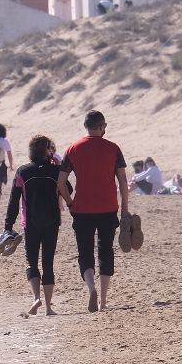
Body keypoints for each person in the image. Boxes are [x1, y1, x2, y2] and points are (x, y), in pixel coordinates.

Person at [60, 110, 129, 313]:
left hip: (82, 209)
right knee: (105, 250)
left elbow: (61, 182)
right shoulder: (113, 148)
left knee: (85, 251)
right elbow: (122, 181)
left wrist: (70, 202)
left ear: (86, 126)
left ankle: (91, 288)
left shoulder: (73, 149)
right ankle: (104, 301)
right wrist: (125, 209)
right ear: (102, 127)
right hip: (108, 207)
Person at [4, 134, 65, 317]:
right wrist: (58, 168)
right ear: (48, 152)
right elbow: (67, 189)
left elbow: (14, 200)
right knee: (48, 263)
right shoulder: (55, 171)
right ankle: (48, 307)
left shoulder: (23, 171)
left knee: (31, 261)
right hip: (52, 222)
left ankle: (36, 297)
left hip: (30, 223)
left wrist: (8, 225)